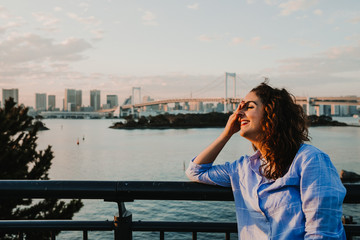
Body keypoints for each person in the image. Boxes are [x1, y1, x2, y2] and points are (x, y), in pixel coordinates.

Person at [186, 82, 346, 240]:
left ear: (272, 113)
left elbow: (322, 234)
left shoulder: (310, 160)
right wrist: (227, 133)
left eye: (248, 107)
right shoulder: (242, 168)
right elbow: (196, 171)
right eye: (240, 108)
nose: (239, 113)